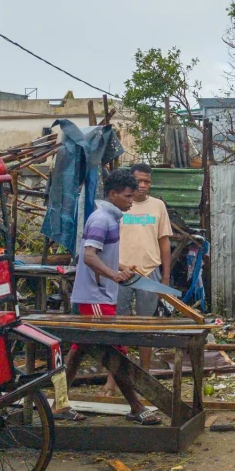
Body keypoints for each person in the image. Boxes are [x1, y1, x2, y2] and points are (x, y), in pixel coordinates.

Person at [56, 168, 161, 425]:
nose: (130, 200)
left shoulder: (111, 217)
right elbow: (88, 256)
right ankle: (136, 407)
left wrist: (120, 267)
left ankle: (59, 404)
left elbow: (100, 255)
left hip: (99, 294)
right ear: (112, 194)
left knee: (79, 350)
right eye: (126, 196)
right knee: (118, 351)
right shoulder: (101, 219)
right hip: (96, 296)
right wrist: (113, 276)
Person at [98, 162, 173, 397]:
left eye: (147, 182)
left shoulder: (158, 206)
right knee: (117, 328)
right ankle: (112, 380)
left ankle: (144, 378)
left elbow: (164, 242)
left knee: (145, 327)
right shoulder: (118, 206)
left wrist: (166, 279)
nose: (142, 186)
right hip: (118, 273)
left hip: (149, 272)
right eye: (138, 181)